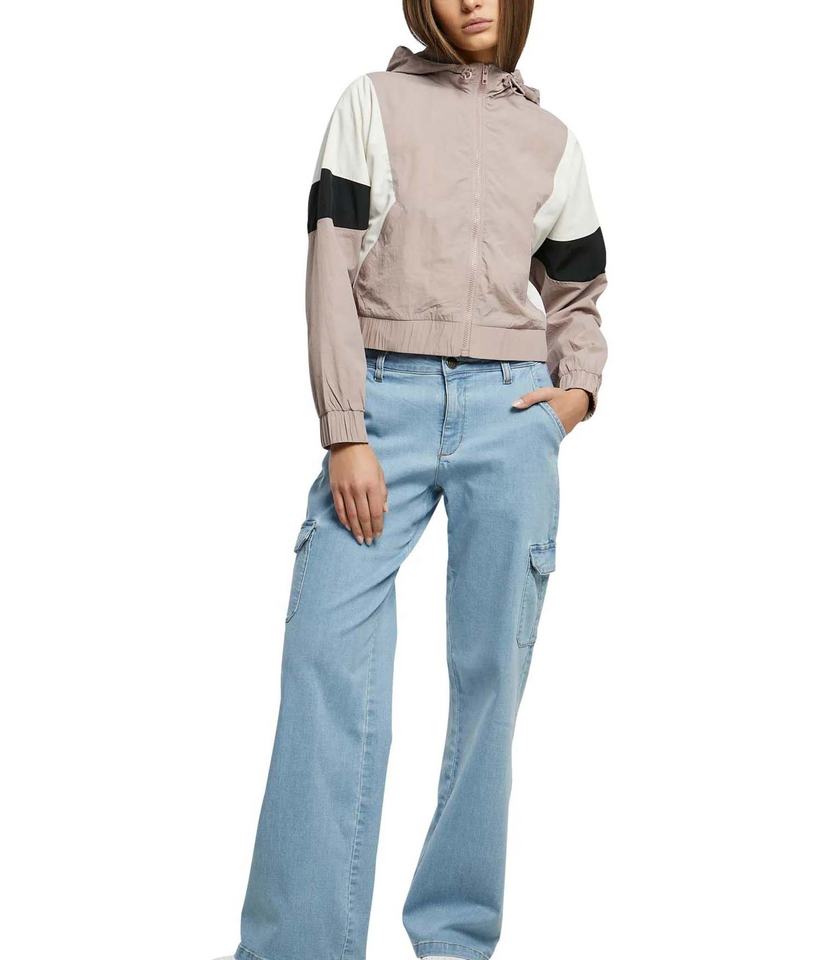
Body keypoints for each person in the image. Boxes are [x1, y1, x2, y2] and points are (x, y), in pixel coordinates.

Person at [217, 2, 607, 959]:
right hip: (381, 406)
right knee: (323, 661)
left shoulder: (552, 139)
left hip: (511, 414)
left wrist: (574, 394)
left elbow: (577, 289)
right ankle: (299, 947)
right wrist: (344, 429)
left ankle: (454, 941)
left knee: (490, 681)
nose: (471, 0)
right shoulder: (372, 102)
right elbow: (330, 261)